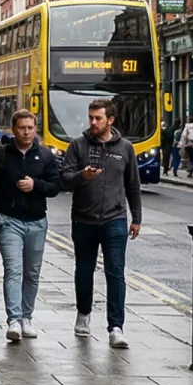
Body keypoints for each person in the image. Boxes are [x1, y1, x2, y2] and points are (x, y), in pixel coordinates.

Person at [59, 99, 143, 349]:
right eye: (91, 117)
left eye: (98, 118)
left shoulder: (126, 148)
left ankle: (116, 327)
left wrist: (136, 218)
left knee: (115, 272)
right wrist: (81, 176)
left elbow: (133, 185)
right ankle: (83, 314)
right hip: (84, 219)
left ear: (111, 120)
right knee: (84, 270)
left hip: (115, 219)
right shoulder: (77, 146)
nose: (93, 122)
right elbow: (64, 179)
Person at [0, 110, 60, 341]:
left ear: (35, 129)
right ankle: (14, 320)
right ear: (14, 129)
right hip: (9, 221)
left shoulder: (46, 156)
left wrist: (35, 184)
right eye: (22, 128)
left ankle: (27, 318)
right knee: (13, 269)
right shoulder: (0, 155)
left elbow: (55, 187)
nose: (27, 132)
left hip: (37, 222)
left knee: (32, 273)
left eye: (30, 128)